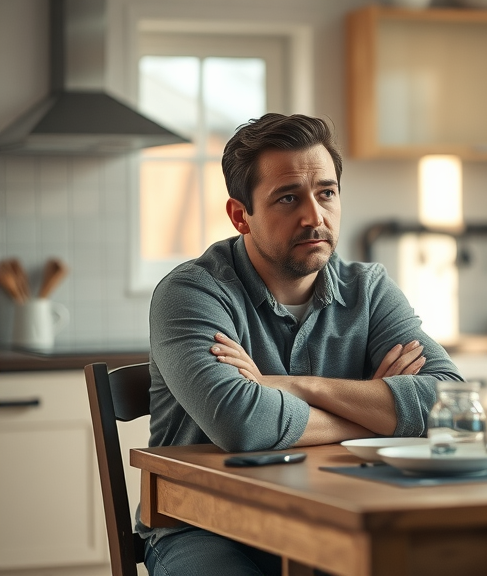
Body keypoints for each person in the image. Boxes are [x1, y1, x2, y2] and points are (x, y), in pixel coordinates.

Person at [141, 113, 463, 576]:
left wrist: (293, 387)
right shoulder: (191, 293)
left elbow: (448, 402)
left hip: (336, 516)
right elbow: (244, 427)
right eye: (288, 198)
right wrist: (382, 417)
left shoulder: (368, 290)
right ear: (240, 216)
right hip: (206, 525)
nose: (315, 217)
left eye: (326, 193)